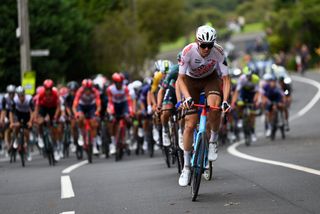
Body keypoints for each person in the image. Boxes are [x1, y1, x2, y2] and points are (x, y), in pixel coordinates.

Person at [177, 25, 231, 186]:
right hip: (190, 82)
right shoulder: (187, 51)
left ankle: (213, 140)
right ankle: (186, 167)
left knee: (215, 106)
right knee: (190, 124)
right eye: (203, 45)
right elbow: (180, 79)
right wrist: (186, 98)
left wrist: (226, 100)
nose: (207, 49)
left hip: (210, 79)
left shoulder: (219, 52)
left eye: (210, 45)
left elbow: (226, 79)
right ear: (197, 42)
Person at [231, 66, 260, 143]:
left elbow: (257, 92)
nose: (249, 77)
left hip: (252, 93)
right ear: (245, 75)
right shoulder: (242, 79)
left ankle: (253, 132)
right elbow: (237, 92)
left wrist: (256, 100)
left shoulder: (256, 79)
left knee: (252, 114)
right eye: (247, 76)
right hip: (243, 93)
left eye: (250, 76)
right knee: (240, 104)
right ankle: (240, 119)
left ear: (252, 75)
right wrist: (233, 102)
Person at [107, 73, 133, 154]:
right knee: (112, 122)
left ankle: (128, 137)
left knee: (128, 119)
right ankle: (113, 143)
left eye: (121, 83)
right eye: (118, 83)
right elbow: (110, 102)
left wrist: (130, 112)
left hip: (123, 104)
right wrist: (111, 112)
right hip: (114, 105)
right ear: (114, 83)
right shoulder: (110, 89)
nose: (120, 85)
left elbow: (129, 101)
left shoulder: (125, 88)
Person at [34, 79, 61, 161]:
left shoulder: (55, 94)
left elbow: (58, 107)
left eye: (50, 89)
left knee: (54, 128)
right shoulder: (41, 94)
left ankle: (56, 148)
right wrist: (36, 117)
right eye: (47, 89)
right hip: (44, 108)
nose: (48, 92)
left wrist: (56, 116)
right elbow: (37, 107)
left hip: (53, 108)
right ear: (44, 89)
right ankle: (40, 136)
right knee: (40, 122)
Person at [72, 79, 101, 153]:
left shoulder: (95, 92)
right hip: (82, 106)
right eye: (86, 89)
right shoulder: (79, 91)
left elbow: (98, 104)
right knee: (79, 118)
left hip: (91, 107)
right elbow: (75, 105)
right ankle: (81, 135)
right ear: (83, 88)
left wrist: (97, 112)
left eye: (89, 89)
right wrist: (76, 114)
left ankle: (94, 146)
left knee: (94, 123)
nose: (88, 91)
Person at [9, 86, 34, 161]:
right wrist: (11, 122)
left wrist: (30, 121)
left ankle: (28, 147)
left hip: (27, 114)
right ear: (17, 95)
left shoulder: (29, 99)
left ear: (24, 94)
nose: (21, 97)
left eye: (22, 95)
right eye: (19, 95)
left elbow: (32, 112)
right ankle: (16, 139)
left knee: (26, 132)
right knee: (16, 126)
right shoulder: (14, 100)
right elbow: (11, 112)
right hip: (18, 114)